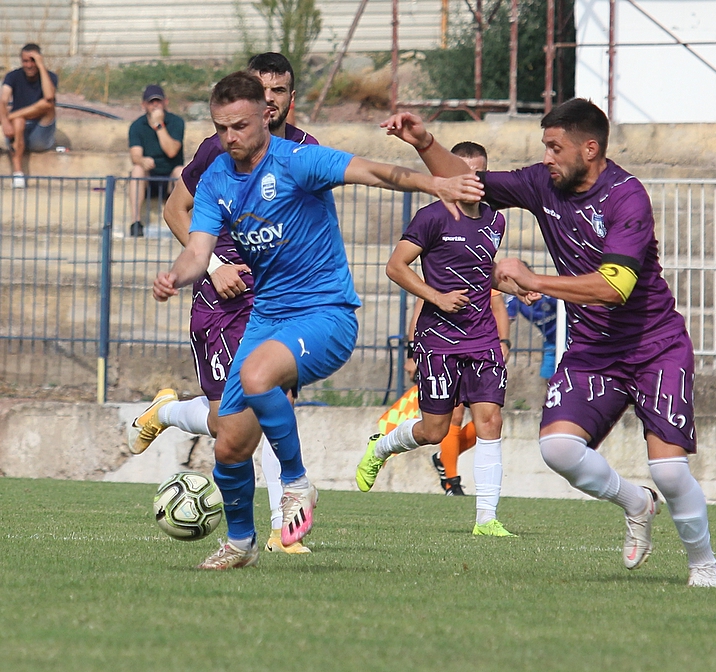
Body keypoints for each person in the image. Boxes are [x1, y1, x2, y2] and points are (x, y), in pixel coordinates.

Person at [150, 71, 483, 570]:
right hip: (266, 318)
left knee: (256, 376)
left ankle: (297, 482)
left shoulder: (298, 161)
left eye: (239, 126)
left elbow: (373, 172)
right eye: (221, 128)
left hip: (325, 314)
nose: (230, 137)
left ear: (266, 116)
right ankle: (240, 544)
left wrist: (435, 183)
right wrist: (174, 277)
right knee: (230, 444)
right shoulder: (217, 175)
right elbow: (198, 251)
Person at [381, 101, 716, 585]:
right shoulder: (543, 183)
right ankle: (636, 502)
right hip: (593, 349)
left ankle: (703, 564)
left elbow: (615, 286)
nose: (546, 157)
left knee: (669, 471)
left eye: (555, 147)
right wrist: (424, 142)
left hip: (655, 346)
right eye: (545, 147)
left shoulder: (626, 196)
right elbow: (468, 182)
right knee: (559, 449)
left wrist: (533, 278)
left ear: (590, 148)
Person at [130, 53, 319, 554]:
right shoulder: (218, 148)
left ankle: (284, 529)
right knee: (225, 424)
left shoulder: (306, 150)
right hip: (222, 302)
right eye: (262, 89)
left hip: (276, 301)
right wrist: (214, 265)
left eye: (279, 90)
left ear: (290, 97)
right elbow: (175, 209)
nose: (270, 99)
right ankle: (169, 412)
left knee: (278, 404)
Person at [356, 142, 518, 537]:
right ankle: (381, 446)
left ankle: (487, 520)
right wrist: (437, 297)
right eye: (463, 172)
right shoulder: (431, 217)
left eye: (478, 173)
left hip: (482, 336)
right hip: (439, 338)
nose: (471, 180)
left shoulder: (495, 220)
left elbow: (482, 272)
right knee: (435, 431)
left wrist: (519, 286)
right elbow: (396, 266)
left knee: (490, 420)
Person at [403, 290, 511, 496]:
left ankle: (444, 458)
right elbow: (419, 312)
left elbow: (498, 307)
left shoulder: (481, 273)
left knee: (489, 420)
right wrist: (411, 354)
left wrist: (504, 342)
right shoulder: (439, 276)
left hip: (480, 350)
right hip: (444, 350)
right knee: (453, 417)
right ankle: (451, 482)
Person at [127, 85, 185, 237]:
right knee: (137, 170)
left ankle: (183, 223)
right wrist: (142, 160)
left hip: (170, 179)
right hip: (149, 178)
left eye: (158, 101)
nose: (155, 105)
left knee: (181, 172)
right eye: (151, 102)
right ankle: (136, 222)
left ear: (165, 102)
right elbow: (135, 156)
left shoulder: (176, 122)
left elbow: (172, 151)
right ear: (144, 105)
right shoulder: (137, 126)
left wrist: (159, 126)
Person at [1, 44, 57, 188]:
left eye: (33, 61)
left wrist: (41, 66)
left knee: (48, 104)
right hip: (17, 132)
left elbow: (49, 97)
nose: (29, 65)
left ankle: (14, 116)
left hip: (40, 133)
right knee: (19, 121)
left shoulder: (50, 77)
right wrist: (5, 122)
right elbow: (3, 100)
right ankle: (18, 174)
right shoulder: (13, 76)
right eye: (25, 61)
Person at [506, 292, 558, 381]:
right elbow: (505, 319)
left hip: (569, 335)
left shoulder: (546, 293)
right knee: (548, 374)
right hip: (550, 340)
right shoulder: (514, 298)